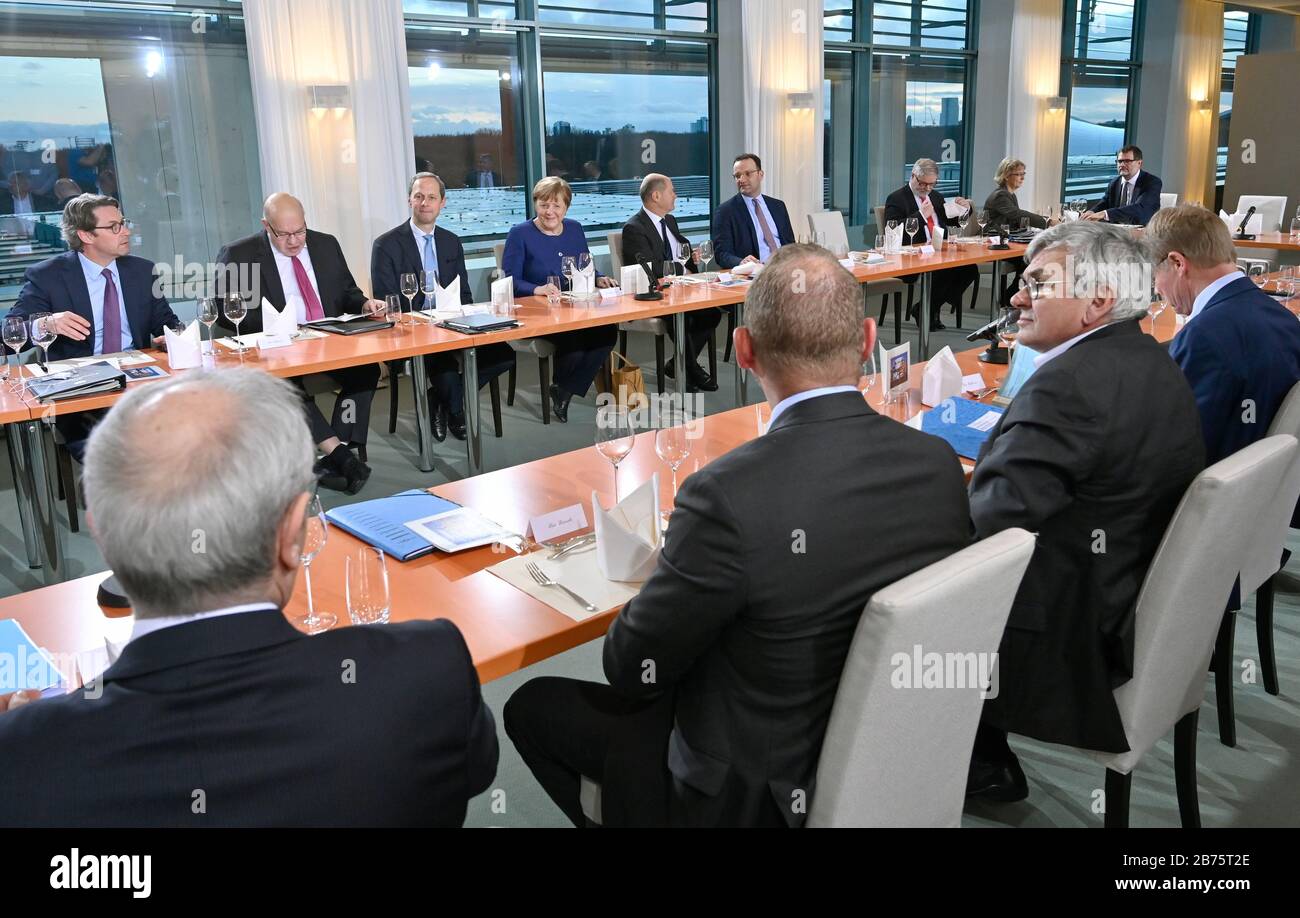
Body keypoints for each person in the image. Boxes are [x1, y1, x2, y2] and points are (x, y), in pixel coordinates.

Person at [504, 245, 973, 827]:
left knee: (531, 705)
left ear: (742, 349)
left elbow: (630, 667)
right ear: (869, 338)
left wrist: (668, 569)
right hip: (896, 749)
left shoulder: (724, 495)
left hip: (754, 790)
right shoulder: (935, 462)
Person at [0, 369, 498, 827]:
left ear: (101, 534)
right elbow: (471, 774)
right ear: (292, 533)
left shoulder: (27, 756)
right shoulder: (430, 668)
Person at [966, 221, 1204, 801]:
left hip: (1067, 630)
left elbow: (984, 528)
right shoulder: (1147, 355)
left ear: (1098, 300)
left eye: (1038, 285)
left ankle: (964, 762)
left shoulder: (1070, 385)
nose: (1017, 297)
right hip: (1125, 588)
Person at [215, 192, 383, 494]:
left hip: (328, 340)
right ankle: (343, 458)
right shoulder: (239, 254)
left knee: (366, 370)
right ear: (267, 226)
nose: (294, 241)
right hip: (278, 349)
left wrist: (364, 305)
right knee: (285, 385)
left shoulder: (325, 244)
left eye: (300, 231)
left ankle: (336, 451)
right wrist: (279, 327)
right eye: (285, 234)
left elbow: (347, 292)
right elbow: (227, 315)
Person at [1150, 204, 1300, 524]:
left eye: (1154, 275)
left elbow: (1177, 454)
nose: (1156, 289)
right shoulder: (1282, 316)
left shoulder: (1204, 337)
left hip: (1215, 517)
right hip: (1269, 496)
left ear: (1177, 263)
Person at [7, 193, 178, 461]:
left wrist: (170, 338)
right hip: (81, 399)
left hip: (140, 388)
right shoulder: (48, 276)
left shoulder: (143, 271)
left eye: (124, 222)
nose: (126, 231)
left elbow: (168, 324)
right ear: (85, 236)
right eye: (114, 226)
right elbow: (9, 336)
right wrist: (46, 324)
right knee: (120, 461)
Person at [371, 173, 515, 441]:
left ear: (443, 203)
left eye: (432, 197)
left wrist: (473, 319)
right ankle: (456, 411)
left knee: (504, 355)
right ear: (409, 200)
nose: (425, 202)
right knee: (445, 368)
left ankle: (440, 400)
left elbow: (464, 293)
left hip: (454, 324)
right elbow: (388, 301)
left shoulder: (451, 241)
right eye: (419, 196)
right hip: (414, 331)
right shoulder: (386, 245)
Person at [501, 177, 618, 422]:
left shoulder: (575, 229)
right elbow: (510, 281)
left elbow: (585, 266)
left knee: (607, 333)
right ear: (536, 205)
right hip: (539, 313)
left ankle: (563, 389)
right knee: (574, 343)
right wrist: (537, 289)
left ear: (566, 207)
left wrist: (599, 278)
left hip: (575, 307)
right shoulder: (519, 234)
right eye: (544, 205)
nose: (550, 212)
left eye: (556, 206)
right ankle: (563, 390)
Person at [620, 173, 722, 392]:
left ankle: (679, 364)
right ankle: (691, 369)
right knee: (682, 317)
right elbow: (651, 269)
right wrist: (681, 267)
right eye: (672, 191)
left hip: (679, 289)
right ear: (656, 196)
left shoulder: (669, 221)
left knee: (711, 313)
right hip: (653, 296)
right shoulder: (634, 228)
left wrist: (690, 257)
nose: (676, 195)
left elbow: (679, 249)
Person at [884, 158, 976, 332]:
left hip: (940, 250)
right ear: (913, 176)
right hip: (912, 255)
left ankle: (927, 307)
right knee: (945, 270)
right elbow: (892, 229)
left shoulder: (935, 196)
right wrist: (920, 215)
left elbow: (953, 221)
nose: (927, 189)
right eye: (923, 184)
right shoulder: (896, 198)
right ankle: (929, 310)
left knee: (969, 269)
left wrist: (965, 210)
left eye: (931, 184)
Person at [983, 157, 1058, 307]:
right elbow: (1017, 214)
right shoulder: (1000, 195)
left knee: (1035, 257)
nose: (1022, 177)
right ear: (1006, 175)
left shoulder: (1010, 194)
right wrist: (1047, 222)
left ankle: (1011, 298)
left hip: (1006, 240)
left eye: (1023, 173)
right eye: (1018, 174)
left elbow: (1016, 220)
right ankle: (1010, 299)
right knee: (1032, 259)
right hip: (994, 244)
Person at [712, 153, 796, 269]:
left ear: (760, 174)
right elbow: (721, 254)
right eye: (737, 176)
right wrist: (742, 262)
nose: (741, 179)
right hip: (755, 274)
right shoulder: (725, 211)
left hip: (785, 269)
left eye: (747, 174)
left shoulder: (778, 206)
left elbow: (791, 244)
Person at [1083, 145, 1162, 226]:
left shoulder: (1152, 182)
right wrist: (1092, 211)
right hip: (1116, 230)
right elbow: (1105, 203)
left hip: (1142, 229)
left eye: (1127, 161)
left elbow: (1140, 208)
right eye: (1120, 161)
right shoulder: (1115, 182)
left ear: (1139, 163)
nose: (1122, 165)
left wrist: (1105, 214)